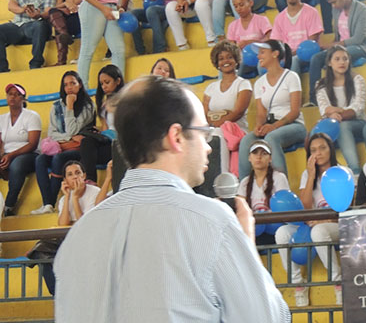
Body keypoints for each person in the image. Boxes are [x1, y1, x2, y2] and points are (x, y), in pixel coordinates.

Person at [54, 76, 290, 322]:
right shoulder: (211, 223)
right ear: (176, 137)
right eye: (203, 133)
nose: (208, 147)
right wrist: (246, 247)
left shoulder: (77, 237)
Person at [275, 133, 343, 307]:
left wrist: (323, 221)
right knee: (282, 233)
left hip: (336, 224)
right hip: (312, 224)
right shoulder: (307, 174)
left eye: (322, 148)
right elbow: (305, 208)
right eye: (313, 150)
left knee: (319, 231)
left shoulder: (342, 172)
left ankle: (339, 282)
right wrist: (311, 175)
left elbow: (344, 207)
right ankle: (298, 284)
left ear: (330, 149)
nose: (318, 153)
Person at [37, 160, 112, 295]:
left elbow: (84, 224)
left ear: (84, 176)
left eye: (78, 173)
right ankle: (57, 292)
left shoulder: (94, 192)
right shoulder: (63, 199)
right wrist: (67, 197)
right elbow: (63, 224)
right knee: (40, 251)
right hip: (71, 240)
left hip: (90, 239)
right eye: (70, 175)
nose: (75, 177)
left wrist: (76, 198)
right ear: (65, 180)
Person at [238, 40, 307, 179]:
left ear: (275, 54)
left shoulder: (291, 77)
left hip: (293, 125)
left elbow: (295, 111)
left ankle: (281, 184)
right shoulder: (259, 83)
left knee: (271, 138)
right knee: (246, 141)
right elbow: (261, 113)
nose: (258, 56)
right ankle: (244, 186)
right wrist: (259, 126)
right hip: (270, 126)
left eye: (262, 52)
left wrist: (274, 126)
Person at [33, 71, 95, 215]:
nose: (69, 87)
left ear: (80, 85)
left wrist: (70, 106)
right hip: (61, 146)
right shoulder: (56, 106)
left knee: (58, 158)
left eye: (73, 83)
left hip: (78, 150)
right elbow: (52, 133)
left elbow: (73, 128)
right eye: (66, 85)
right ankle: (47, 203)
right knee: (40, 159)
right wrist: (69, 139)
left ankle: (51, 201)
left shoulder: (88, 106)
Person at [309, 0, 366, 104]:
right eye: (331, 3)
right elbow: (338, 35)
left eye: (334, 2)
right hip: (339, 47)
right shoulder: (337, 10)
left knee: (340, 55)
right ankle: (314, 98)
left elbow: (358, 39)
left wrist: (331, 46)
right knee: (316, 58)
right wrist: (330, 46)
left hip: (359, 47)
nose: (333, 6)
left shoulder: (361, 9)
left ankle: (343, 94)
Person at [315, 45, 366, 174]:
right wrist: (334, 113)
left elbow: (358, 108)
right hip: (333, 122)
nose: (342, 62)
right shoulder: (320, 84)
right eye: (337, 59)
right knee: (313, 136)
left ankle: (355, 171)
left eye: (345, 59)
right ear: (329, 63)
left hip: (357, 123)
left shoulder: (357, 79)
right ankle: (318, 175)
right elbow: (324, 109)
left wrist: (337, 113)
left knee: (342, 126)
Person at [203, 41, 253, 173]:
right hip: (214, 129)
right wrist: (213, 125)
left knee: (217, 133)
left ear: (236, 60)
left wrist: (216, 124)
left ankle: (223, 175)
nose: (225, 61)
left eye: (229, 57)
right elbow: (204, 113)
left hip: (237, 131)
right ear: (217, 63)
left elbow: (238, 112)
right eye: (221, 58)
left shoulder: (243, 84)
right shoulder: (210, 88)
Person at [0, 0, 55, 72]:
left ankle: (36, 63)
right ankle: (2, 68)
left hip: (36, 24)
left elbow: (48, 12)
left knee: (39, 25)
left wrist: (38, 15)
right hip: (18, 24)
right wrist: (22, 9)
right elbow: (11, 5)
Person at [237, 140, 289, 244]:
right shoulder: (244, 182)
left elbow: (283, 207)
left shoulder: (279, 177)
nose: (259, 157)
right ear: (249, 158)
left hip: (275, 228)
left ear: (270, 158)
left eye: (264, 153)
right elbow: (240, 209)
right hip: (254, 230)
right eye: (255, 153)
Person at [0, 84, 41, 216]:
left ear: (23, 99)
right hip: (7, 154)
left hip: (28, 154)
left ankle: (9, 206)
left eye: (17, 95)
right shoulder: (2, 118)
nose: (13, 97)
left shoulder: (32, 116)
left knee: (17, 165)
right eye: (10, 94)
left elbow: (33, 144)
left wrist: (10, 156)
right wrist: (2, 156)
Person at [78, 64, 123, 183]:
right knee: (86, 143)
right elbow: (105, 128)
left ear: (118, 81)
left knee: (85, 157)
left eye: (107, 82)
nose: (104, 86)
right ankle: (90, 180)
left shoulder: (127, 100)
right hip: (108, 144)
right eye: (102, 84)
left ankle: (90, 180)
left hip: (121, 145)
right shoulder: (104, 105)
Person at [270, 0, 323, 74]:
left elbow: (312, 41)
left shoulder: (311, 12)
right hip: (288, 55)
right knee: (264, 65)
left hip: (307, 53)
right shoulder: (279, 18)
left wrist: (291, 54)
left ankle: (294, 85)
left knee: (293, 60)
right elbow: (277, 43)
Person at [226, 0, 272, 75]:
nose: (238, 9)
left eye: (241, 5)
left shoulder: (262, 20)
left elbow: (272, 41)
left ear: (250, 3)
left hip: (261, 56)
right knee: (229, 67)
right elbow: (231, 49)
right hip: (243, 59)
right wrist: (237, 48)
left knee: (262, 66)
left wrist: (253, 43)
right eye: (235, 6)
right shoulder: (232, 26)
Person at [48, 0, 82, 66]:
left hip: (81, 19)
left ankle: (61, 60)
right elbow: (57, 7)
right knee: (55, 16)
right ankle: (64, 35)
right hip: (71, 18)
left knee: (59, 24)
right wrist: (65, 3)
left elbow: (73, 4)